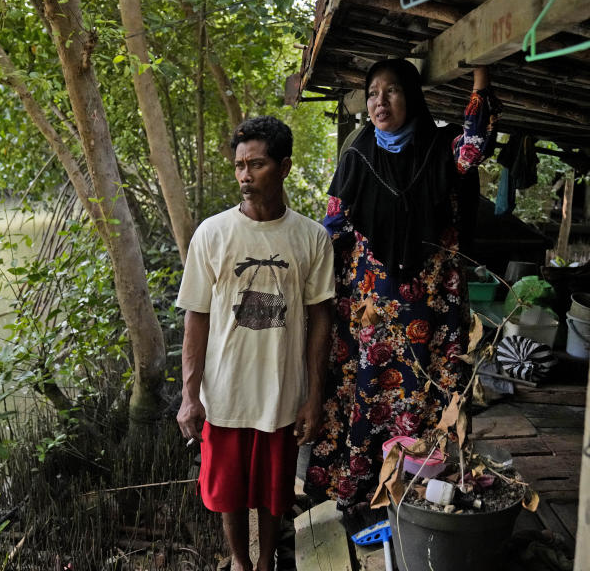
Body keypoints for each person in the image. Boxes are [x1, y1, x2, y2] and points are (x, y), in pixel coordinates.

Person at [304, 59, 501, 514]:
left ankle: (422, 496)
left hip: (435, 302)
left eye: (391, 91)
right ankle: (360, 493)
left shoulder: (440, 145)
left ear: (411, 96)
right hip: (374, 308)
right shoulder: (357, 156)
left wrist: (480, 80)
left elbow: (476, 145)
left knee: (432, 392)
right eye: (373, 93)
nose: (379, 102)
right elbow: (333, 226)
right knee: (368, 392)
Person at [176, 115, 335, 571]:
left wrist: (314, 394)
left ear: (284, 167)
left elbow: (321, 317)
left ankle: (266, 562)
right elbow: (196, 317)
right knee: (227, 491)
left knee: (274, 490)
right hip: (224, 392)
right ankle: (240, 563)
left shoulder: (310, 237)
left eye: (257, 164)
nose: (245, 175)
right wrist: (190, 396)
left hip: (282, 392)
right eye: (240, 165)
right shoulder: (213, 233)